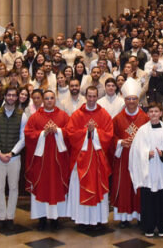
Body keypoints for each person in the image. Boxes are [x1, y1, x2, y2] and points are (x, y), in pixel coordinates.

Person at [64, 85, 114, 227]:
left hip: (98, 160)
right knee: (80, 188)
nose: (92, 99)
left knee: (98, 188)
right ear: (85, 97)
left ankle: (98, 219)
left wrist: (95, 132)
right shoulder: (77, 114)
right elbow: (71, 134)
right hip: (81, 160)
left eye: (94, 96)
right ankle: (81, 220)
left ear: (97, 97)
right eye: (89, 96)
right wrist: (86, 132)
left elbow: (109, 135)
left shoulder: (104, 114)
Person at [24, 90, 71, 229]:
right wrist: (44, 132)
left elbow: (70, 132)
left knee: (56, 187)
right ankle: (42, 218)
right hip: (41, 161)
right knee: (42, 187)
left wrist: (58, 131)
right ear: (42, 100)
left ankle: (56, 218)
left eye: (51, 98)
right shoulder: (35, 117)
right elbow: (28, 134)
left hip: (58, 161)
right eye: (47, 98)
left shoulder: (63, 116)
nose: (49, 100)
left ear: (55, 99)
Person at [129, 101, 163, 238]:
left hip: (162, 170)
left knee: (162, 198)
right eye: (151, 112)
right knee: (148, 200)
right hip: (148, 171)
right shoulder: (142, 130)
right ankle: (148, 227)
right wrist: (146, 154)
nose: (154, 114)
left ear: (161, 113)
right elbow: (136, 151)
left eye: (156, 111)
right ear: (148, 114)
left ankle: (162, 227)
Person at [111, 79, 149, 227]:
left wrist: (140, 145)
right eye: (128, 99)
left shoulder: (145, 118)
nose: (131, 102)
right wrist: (120, 142)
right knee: (125, 186)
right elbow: (111, 137)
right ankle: (124, 217)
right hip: (123, 159)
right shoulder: (117, 119)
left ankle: (140, 216)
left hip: (139, 159)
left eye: (134, 98)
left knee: (139, 186)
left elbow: (149, 138)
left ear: (138, 100)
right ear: (124, 100)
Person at [0, 86, 26, 232]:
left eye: (13, 96)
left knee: (14, 187)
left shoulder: (22, 115)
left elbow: (23, 138)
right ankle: (1, 217)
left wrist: (12, 152)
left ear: (17, 98)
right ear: (4, 97)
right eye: (8, 95)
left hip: (14, 158)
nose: (11, 98)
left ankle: (10, 217)